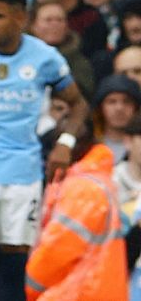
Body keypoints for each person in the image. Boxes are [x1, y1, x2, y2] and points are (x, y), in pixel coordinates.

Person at [0, 0, 89, 301]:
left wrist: (66, 143)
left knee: (15, 261)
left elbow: (78, 104)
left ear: (21, 17)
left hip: (23, 171)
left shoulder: (45, 57)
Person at [25, 125, 128, 301]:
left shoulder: (82, 190)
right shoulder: (98, 181)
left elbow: (58, 250)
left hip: (79, 292)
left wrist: (29, 286)